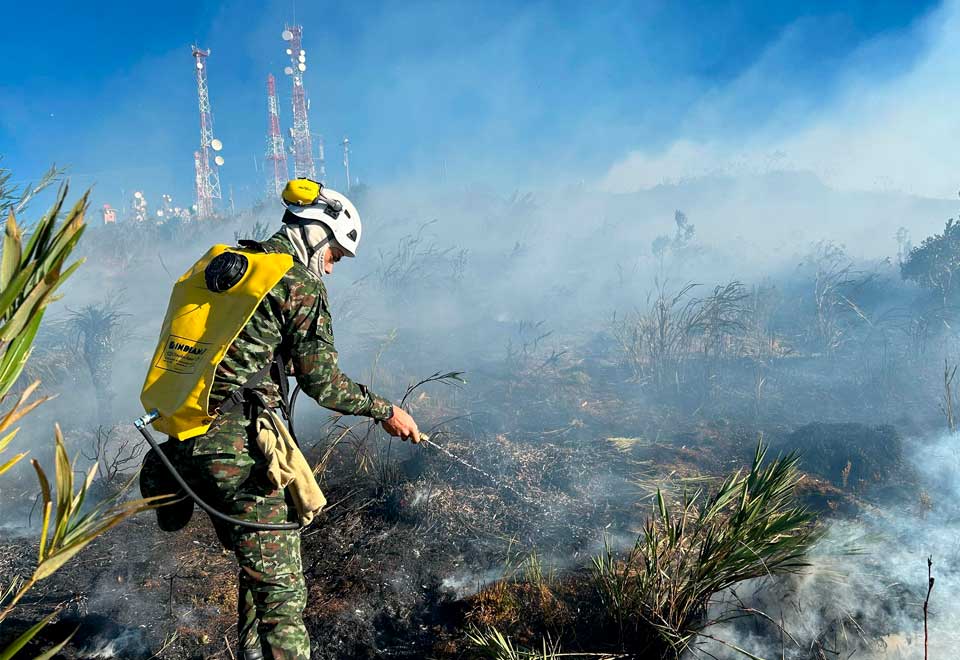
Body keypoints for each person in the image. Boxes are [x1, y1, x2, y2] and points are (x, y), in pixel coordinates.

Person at [139, 179, 420, 660]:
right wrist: (385, 411)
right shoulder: (298, 282)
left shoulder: (232, 266)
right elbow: (323, 384)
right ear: (317, 234)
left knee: (256, 568)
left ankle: (163, 482)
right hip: (238, 451)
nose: (331, 268)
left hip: (179, 438)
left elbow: (226, 346)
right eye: (335, 256)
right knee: (282, 600)